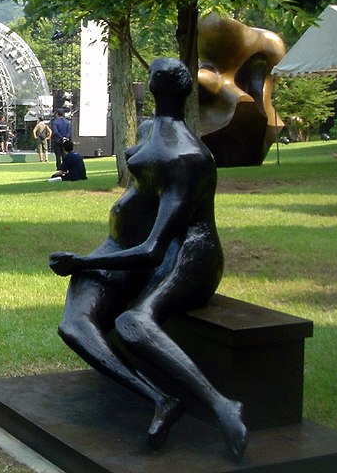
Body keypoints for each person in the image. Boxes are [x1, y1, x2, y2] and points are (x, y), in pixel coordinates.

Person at [48, 58, 247, 461]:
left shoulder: (188, 157)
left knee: (134, 323)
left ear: (157, 84)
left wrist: (82, 263)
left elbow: (157, 248)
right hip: (123, 244)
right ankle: (158, 398)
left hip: (185, 252)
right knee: (74, 325)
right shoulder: (149, 129)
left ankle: (222, 405)